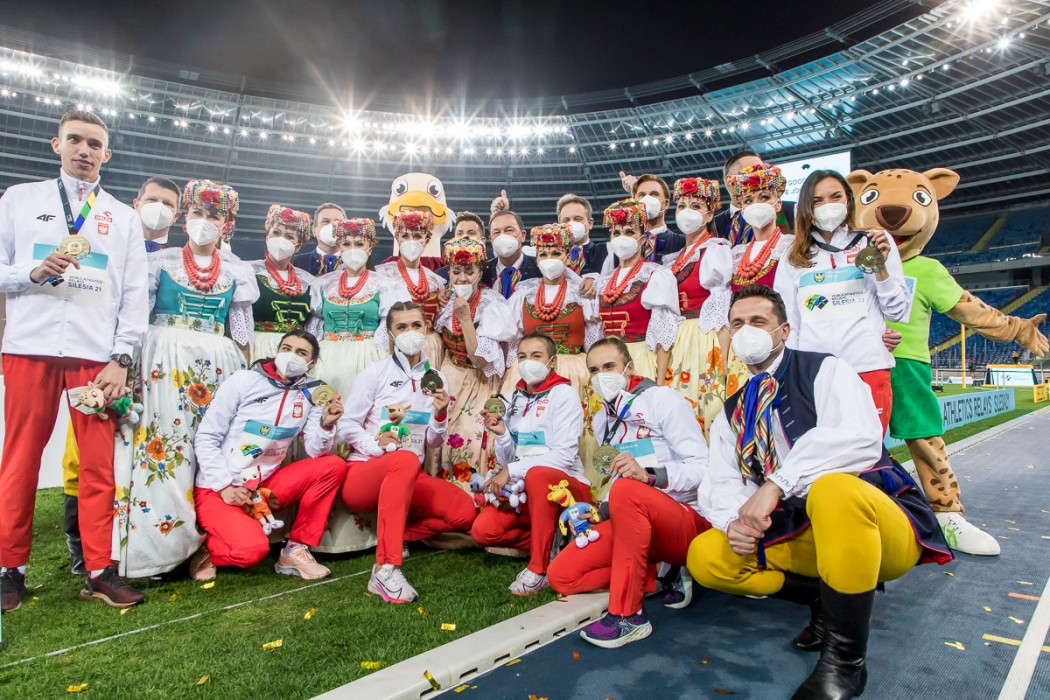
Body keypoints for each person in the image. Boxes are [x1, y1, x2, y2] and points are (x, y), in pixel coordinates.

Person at [686, 285, 952, 700]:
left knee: (832, 489)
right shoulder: (732, 410)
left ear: (784, 331)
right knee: (707, 556)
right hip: (804, 529)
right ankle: (826, 600)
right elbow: (720, 481)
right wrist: (735, 522)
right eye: (737, 323)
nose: (746, 330)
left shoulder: (826, 369)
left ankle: (846, 664)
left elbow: (861, 439)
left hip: (876, 528)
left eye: (758, 321)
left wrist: (777, 484)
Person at [0, 109, 148, 612]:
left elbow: (133, 295)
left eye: (94, 144)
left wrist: (121, 357)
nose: (84, 150)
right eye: (75, 140)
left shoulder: (123, 217)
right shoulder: (20, 199)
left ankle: (100, 570)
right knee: (19, 460)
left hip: (93, 355)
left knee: (98, 466)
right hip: (30, 346)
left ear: (107, 154)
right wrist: (30, 272)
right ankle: (10, 569)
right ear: (56, 144)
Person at [113, 179, 260, 579]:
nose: (205, 220)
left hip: (219, 365)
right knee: (164, 450)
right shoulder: (159, 262)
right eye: (198, 212)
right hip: (162, 362)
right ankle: (163, 548)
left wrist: (247, 388)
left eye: (214, 215)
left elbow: (242, 335)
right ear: (185, 217)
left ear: (227, 224)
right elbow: (136, 319)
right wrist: (127, 370)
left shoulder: (238, 271)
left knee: (212, 451)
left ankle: (209, 542)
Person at [547, 337, 709, 648]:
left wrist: (650, 476)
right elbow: (621, 480)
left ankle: (629, 617)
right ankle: (659, 571)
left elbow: (703, 468)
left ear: (629, 368)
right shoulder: (603, 418)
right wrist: (599, 511)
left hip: (684, 522)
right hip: (636, 522)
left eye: (609, 367)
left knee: (627, 487)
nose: (601, 376)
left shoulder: (663, 400)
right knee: (562, 575)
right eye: (594, 370)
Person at [61, 174, 185, 575]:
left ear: (177, 214)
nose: (158, 208)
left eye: (168, 203)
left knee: (144, 452)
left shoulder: (179, 259)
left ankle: (139, 543)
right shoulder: (107, 242)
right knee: (81, 452)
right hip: (101, 358)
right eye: (152, 199)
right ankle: (80, 545)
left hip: (155, 367)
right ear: (136, 202)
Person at [334, 301, 477, 602]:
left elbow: (434, 442)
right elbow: (346, 424)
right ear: (390, 334)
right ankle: (385, 569)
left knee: (464, 513)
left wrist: (441, 414)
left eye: (415, 325)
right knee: (405, 458)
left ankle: (400, 532)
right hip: (364, 473)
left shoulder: (436, 378)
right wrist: (375, 445)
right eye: (401, 327)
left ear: (426, 329)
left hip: (408, 472)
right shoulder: (376, 372)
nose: (410, 332)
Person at [190, 330, 347, 581]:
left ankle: (295, 550)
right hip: (219, 488)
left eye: (301, 352)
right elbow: (206, 437)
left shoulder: (313, 392)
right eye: (286, 348)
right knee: (252, 551)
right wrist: (223, 486)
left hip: (262, 489)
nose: (291, 356)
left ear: (312, 363)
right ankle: (210, 547)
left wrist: (327, 424)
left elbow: (315, 451)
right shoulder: (244, 380)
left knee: (332, 465)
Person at [775, 170, 911, 432]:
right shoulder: (793, 256)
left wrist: (880, 267)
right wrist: (792, 372)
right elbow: (790, 322)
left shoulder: (874, 242)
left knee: (869, 449)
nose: (827, 205)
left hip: (867, 365)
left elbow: (897, 311)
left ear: (848, 200)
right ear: (806, 208)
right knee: (820, 450)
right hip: (816, 372)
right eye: (817, 200)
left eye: (835, 197)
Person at [472, 332, 590, 595]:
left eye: (536, 356)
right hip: (525, 491)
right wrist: (502, 434)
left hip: (566, 489)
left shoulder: (564, 395)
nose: (528, 362)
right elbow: (508, 460)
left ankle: (538, 568)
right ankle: (554, 541)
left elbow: (564, 457)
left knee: (538, 475)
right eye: (522, 356)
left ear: (552, 361)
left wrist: (512, 470)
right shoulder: (513, 398)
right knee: (483, 531)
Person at [432, 237, 514, 483]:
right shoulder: (445, 301)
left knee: (470, 434)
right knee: (437, 431)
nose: (462, 279)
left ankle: (469, 492)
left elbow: (479, 361)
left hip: (479, 379)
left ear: (480, 273)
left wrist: (466, 320)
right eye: (456, 272)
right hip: (450, 375)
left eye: (469, 272)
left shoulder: (492, 304)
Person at [663, 177, 736, 423]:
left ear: (709, 215)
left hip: (705, 335)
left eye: (696, 206)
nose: (687, 212)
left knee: (706, 403)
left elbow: (721, 311)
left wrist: (724, 362)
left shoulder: (715, 250)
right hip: (679, 335)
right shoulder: (675, 258)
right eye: (682, 206)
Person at [312, 218, 401, 402]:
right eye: (346, 244)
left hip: (368, 353)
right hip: (328, 355)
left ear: (370, 247)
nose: (353, 249)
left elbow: (387, 325)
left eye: (359, 244)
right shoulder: (324, 284)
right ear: (339, 247)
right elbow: (316, 324)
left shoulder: (384, 285)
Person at [595, 198, 681, 385]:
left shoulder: (655, 275)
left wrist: (660, 383)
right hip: (606, 363)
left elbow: (664, 338)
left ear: (642, 239)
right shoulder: (603, 281)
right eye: (616, 233)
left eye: (629, 232)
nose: (622, 238)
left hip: (640, 359)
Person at [249, 205, 321, 363]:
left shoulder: (309, 281)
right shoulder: (249, 272)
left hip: (296, 351)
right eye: (276, 233)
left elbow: (312, 325)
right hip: (257, 346)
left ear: (298, 246)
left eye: (289, 237)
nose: (281, 239)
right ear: (267, 237)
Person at [375, 211, 447, 365]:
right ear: (397, 238)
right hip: (397, 343)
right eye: (405, 236)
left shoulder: (435, 280)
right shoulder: (383, 274)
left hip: (430, 345)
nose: (411, 241)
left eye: (417, 236)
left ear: (426, 240)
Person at [729, 163, 796, 291]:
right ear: (742, 210)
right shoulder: (736, 255)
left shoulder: (790, 247)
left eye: (764, 197)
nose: (756, 204)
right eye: (748, 201)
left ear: (778, 205)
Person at [713, 151, 795, 245]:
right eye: (752, 170)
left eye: (761, 169)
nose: (760, 175)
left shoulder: (791, 210)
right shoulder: (712, 224)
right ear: (729, 180)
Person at [486, 210, 540, 298]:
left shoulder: (539, 268)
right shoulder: (483, 273)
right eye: (496, 232)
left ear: (523, 235)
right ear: (491, 239)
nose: (502, 236)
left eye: (509, 230)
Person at [557, 193, 608, 277]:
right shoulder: (552, 258)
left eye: (577, 219)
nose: (571, 224)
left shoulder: (606, 253)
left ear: (590, 223)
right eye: (566, 220)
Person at [293, 202, 345, 276]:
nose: (333, 226)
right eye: (326, 222)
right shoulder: (297, 262)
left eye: (338, 222)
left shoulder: (353, 264)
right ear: (314, 230)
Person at [435, 211, 487, 283]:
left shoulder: (491, 272)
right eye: (460, 233)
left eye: (471, 233)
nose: (464, 237)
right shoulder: (439, 276)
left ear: (482, 241)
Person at [135, 176, 182, 252]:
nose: (159, 206)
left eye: (167, 203)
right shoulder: (117, 243)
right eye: (152, 199)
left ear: (176, 216)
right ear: (137, 205)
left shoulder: (181, 254)